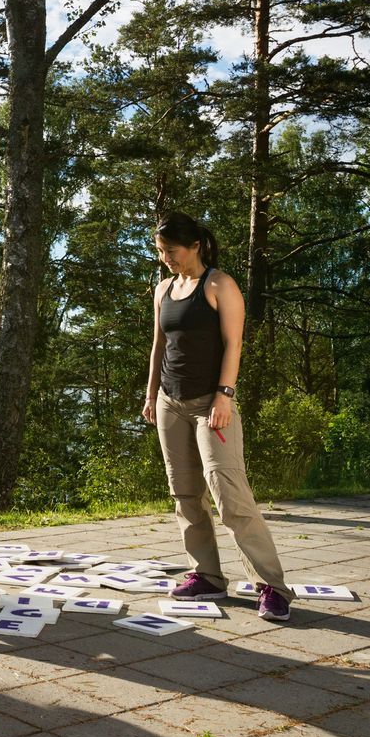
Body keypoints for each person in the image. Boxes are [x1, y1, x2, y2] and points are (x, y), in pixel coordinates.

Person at [141, 211, 292, 622]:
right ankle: (206, 574)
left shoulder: (220, 285)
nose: (165, 258)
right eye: (160, 252)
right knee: (185, 494)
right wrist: (151, 393)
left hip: (211, 404)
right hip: (171, 403)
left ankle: (272, 586)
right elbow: (159, 346)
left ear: (194, 246)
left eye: (171, 251)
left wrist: (225, 396)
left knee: (230, 495)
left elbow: (234, 345)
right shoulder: (163, 289)